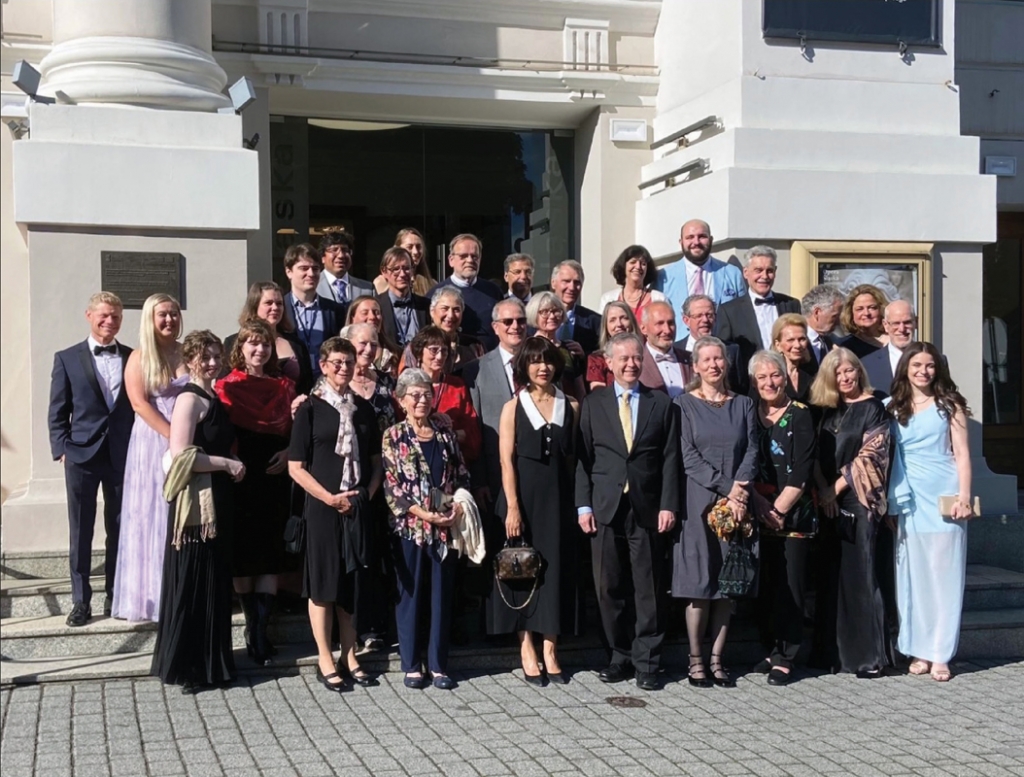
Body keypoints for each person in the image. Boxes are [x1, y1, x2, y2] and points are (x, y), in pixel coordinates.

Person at [576, 332, 681, 691]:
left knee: (649, 587)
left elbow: (670, 459)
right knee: (609, 587)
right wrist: (584, 504)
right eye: (623, 358)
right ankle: (618, 656)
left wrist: (669, 504)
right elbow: (583, 459)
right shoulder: (594, 404)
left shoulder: (661, 404)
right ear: (608, 362)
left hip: (647, 507)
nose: (631, 364)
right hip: (605, 507)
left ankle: (648, 661)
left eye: (636, 358)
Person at [151, 330, 244, 693]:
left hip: (217, 500)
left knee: (214, 581)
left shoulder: (211, 394)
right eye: (204, 357)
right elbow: (181, 455)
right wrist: (226, 463)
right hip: (196, 509)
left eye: (216, 356)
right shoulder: (189, 400)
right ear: (190, 360)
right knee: (195, 579)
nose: (211, 362)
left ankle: (213, 664)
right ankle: (191, 667)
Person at [288, 337, 383, 692]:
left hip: (356, 506)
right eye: (337, 362)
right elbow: (296, 468)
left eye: (349, 362)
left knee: (353, 582)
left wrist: (367, 494)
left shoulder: (364, 409)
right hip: (323, 506)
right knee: (325, 583)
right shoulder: (310, 409)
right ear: (324, 366)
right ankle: (325, 656)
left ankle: (350, 653)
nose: (344, 368)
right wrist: (329, 498)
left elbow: (376, 463)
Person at [488, 337, 580, 685]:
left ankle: (551, 647)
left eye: (549, 361)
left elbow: (573, 460)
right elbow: (505, 460)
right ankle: (526, 645)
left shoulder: (570, 405)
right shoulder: (513, 407)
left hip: (558, 500)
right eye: (536, 361)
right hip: (521, 499)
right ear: (524, 366)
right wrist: (512, 507)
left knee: (555, 573)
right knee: (522, 571)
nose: (544, 367)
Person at [673, 336, 758, 689]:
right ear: (695, 366)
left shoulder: (744, 405)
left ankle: (718, 659)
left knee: (728, 582)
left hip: (738, 502)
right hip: (699, 500)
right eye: (706, 360)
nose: (713, 365)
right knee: (699, 581)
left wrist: (740, 488)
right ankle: (695, 661)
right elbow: (688, 456)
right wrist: (729, 488)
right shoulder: (683, 405)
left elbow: (753, 448)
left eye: (719, 359)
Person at [886, 342, 973, 683]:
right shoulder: (891, 407)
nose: (924, 371)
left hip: (942, 495)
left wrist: (964, 496)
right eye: (917, 365)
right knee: (913, 576)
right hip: (908, 497)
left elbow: (962, 454)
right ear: (905, 368)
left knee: (943, 575)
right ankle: (918, 649)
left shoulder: (950, 406)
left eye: (930, 365)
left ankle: (941, 653)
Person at [48, 292, 135, 627]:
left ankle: (116, 594)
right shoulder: (67, 358)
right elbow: (58, 410)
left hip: (121, 454)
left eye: (115, 316)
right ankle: (80, 601)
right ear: (89, 315)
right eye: (103, 315)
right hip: (81, 455)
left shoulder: (132, 357)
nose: (109, 321)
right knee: (81, 530)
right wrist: (62, 449)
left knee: (119, 528)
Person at [382, 369, 472, 690]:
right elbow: (393, 488)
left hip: (445, 528)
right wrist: (426, 515)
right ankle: (411, 664)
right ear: (402, 400)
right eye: (414, 395)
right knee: (410, 596)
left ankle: (438, 665)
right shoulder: (393, 435)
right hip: (411, 528)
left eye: (426, 394)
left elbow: (461, 473)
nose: (422, 400)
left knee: (440, 596)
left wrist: (458, 505)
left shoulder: (445, 433)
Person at [216, 319, 296, 666]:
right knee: (244, 552)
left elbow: (298, 430)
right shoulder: (225, 386)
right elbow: (217, 430)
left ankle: (261, 631)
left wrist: (291, 450)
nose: (259, 349)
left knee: (269, 552)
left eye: (265, 344)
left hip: (274, 474)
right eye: (252, 343)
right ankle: (250, 627)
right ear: (241, 347)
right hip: (240, 476)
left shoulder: (284, 386)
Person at [809, 347, 891, 677]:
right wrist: (821, 490)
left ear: (859, 372)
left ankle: (869, 657)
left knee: (862, 576)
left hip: (858, 502)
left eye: (850, 371)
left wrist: (835, 488)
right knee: (830, 577)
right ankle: (831, 655)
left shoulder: (874, 407)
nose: (845, 378)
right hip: (825, 501)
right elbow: (810, 452)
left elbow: (871, 456)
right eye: (838, 373)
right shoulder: (824, 409)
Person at [111, 293, 188, 623]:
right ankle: (154, 595)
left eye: (173, 313)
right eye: (162, 315)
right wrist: (174, 436)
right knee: (154, 514)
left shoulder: (187, 352)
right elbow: (140, 404)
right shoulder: (140, 357)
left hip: (187, 441)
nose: (169, 320)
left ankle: (182, 589)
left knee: (183, 514)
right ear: (150, 319)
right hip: (153, 442)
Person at [748, 350, 817, 686]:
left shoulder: (801, 414)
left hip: (793, 515)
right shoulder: (750, 413)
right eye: (762, 377)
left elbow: (802, 468)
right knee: (766, 586)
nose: (769, 382)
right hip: (757, 511)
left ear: (785, 377)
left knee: (791, 586)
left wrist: (779, 510)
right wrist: (760, 506)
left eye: (774, 375)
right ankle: (769, 648)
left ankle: (786, 656)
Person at [341, 322, 397, 652]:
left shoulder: (388, 383)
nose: (367, 350)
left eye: (373, 344)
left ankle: (378, 627)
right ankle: (352, 627)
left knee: (380, 557)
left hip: (385, 482)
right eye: (361, 344)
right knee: (353, 557)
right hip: (348, 484)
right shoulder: (333, 386)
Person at [460, 298, 527, 515]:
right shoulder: (475, 370)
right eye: (508, 321)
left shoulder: (541, 366)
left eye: (521, 320)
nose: (515, 327)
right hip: (494, 476)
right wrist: (479, 481)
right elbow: (475, 428)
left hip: (535, 473)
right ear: (495, 328)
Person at [715, 246, 801, 387]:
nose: (764, 276)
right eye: (758, 270)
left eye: (769, 271)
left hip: (787, 385)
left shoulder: (791, 305)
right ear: (746, 272)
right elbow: (726, 355)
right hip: (749, 387)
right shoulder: (729, 311)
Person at [655, 219, 745, 337]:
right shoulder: (663, 277)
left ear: (711, 240)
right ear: (681, 242)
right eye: (690, 237)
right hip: (680, 350)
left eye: (702, 236)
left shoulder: (732, 273)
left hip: (722, 348)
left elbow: (743, 315)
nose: (696, 242)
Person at [407, 326, 481, 466]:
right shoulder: (407, 385)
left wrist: (449, 433)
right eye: (434, 350)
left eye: (444, 351)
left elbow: (472, 432)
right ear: (419, 352)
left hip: (450, 463)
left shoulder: (457, 386)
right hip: (414, 461)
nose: (440, 356)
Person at [226, 282, 314, 395]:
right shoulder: (233, 342)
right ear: (255, 306)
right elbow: (225, 384)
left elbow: (307, 385)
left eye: (279, 303)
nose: (275, 308)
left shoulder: (296, 344)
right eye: (268, 303)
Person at [283, 244, 348, 378]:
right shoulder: (280, 309)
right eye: (304, 268)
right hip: (289, 384)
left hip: (324, 384)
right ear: (289, 272)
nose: (311, 274)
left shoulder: (334, 310)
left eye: (315, 269)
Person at [436, 233, 503, 351]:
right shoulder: (436, 294)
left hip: (490, 361)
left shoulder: (493, 292)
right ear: (451, 260)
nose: (470, 260)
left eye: (474, 256)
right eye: (463, 256)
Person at [399, 286, 483, 372]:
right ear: (432, 311)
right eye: (444, 309)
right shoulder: (418, 345)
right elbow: (406, 380)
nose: (450, 315)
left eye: (456, 310)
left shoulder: (474, 346)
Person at [525, 291, 586, 401]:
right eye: (545, 312)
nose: (552, 316)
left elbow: (580, 390)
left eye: (556, 311)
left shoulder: (570, 349)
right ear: (534, 314)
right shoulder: (528, 348)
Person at [675, 294, 742, 388]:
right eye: (699, 316)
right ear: (686, 320)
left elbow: (739, 388)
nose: (705, 320)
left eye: (709, 315)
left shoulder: (731, 350)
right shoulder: (675, 350)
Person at [375, 247, 431, 348]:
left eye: (406, 268)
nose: (402, 274)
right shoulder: (376, 305)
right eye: (396, 269)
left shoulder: (426, 305)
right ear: (384, 272)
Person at [861, 300, 918, 396]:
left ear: (916, 323)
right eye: (896, 323)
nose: (902, 329)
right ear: (886, 325)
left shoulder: (935, 361)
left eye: (907, 322)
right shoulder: (866, 365)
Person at [597, 245, 668, 321]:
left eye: (643, 263)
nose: (638, 267)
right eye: (633, 262)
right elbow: (602, 329)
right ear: (624, 266)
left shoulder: (659, 299)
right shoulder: (607, 299)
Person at [638, 300, 692, 397]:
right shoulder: (636, 362)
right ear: (643, 329)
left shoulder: (690, 359)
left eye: (671, 323)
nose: (667, 330)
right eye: (659, 323)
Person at [550, 260, 602, 356]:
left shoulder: (596, 321)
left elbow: (601, 356)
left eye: (577, 282)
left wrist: (584, 355)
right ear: (553, 283)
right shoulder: (538, 318)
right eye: (566, 281)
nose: (572, 287)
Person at [587, 301, 638, 391]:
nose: (619, 324)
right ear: (606, 326)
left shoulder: (644, 354)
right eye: (612, 320)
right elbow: (598, 396)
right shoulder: (597, 359)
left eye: (624, 318)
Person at [373, 227, 437, 298]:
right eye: (409, 247)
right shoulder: (382, 282)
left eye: (418, 247)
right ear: (397, 249)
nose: (415, 252)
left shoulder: (432, 284)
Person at [346, 294, 401, 377]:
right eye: (365, 313)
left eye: (376, 312)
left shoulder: (396, 353)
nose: (372, 317)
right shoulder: (342, 352)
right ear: (352, 319)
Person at [317, 229, 374, 305]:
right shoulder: (313, 285)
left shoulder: (367, 288)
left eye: (345, 250)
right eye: (334, 250)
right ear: (322, 257)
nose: (341, 255)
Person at [770, 313, 814, 403]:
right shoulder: (768, 374)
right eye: (790, 340)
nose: (797, 345)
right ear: (778, 345)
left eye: (802, 339)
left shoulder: (813, 372)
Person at [838, 284, 889, 359]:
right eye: (860, 309)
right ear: (851, 313)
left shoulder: (896, 339)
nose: (866, 313)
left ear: (881, 309)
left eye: (872, 307)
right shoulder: (845, 347)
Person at [801, 284, 844, 373]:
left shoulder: (830, 342)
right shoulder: (795, 342)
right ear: (817, 312)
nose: (838, 322)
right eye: (834, 316)